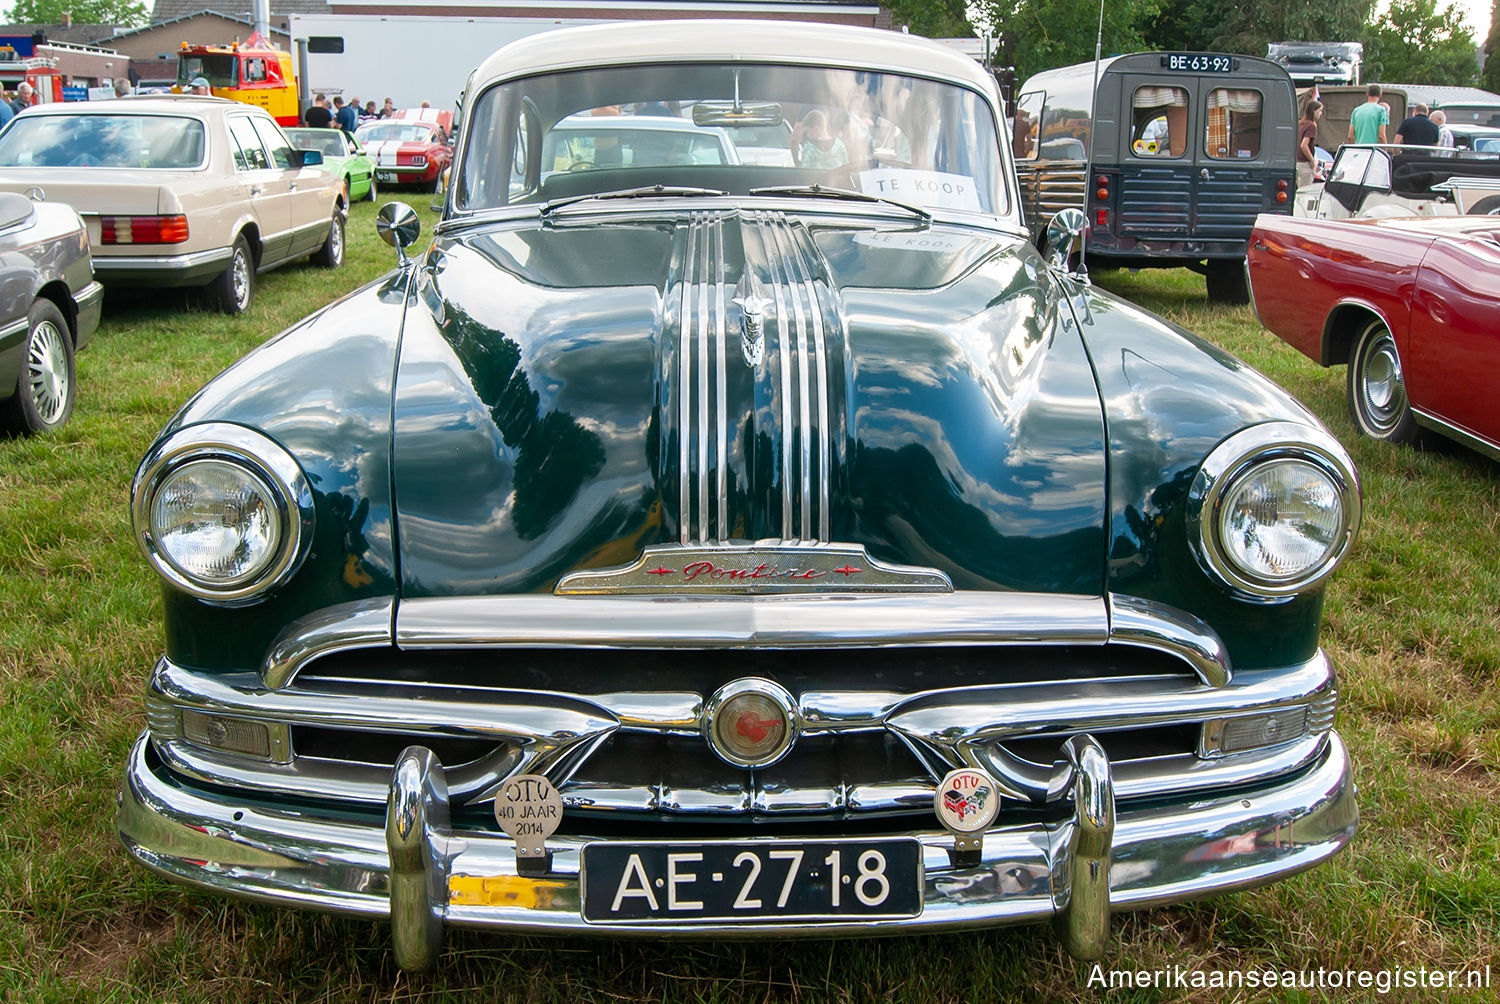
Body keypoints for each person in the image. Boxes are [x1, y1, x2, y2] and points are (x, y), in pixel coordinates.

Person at [1297, 100, 1323, 188]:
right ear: (1314, 111)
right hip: (1305, 164)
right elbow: (1304, 145)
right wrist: (1312, 160)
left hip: (1297, 162)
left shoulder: (1300, 124)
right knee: (1305, 192)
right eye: (1319, 110)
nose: (1321, 113)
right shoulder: (1312, 125)